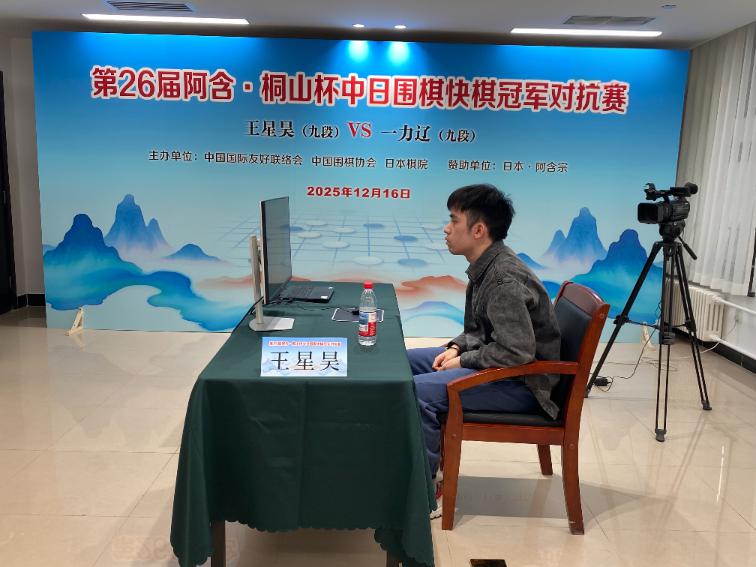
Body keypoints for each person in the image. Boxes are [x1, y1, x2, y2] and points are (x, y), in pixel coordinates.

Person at [407, 183, 561, 518]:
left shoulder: (503, 279)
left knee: (418, 391)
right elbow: (480, 330)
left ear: (478, 230)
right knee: (402, 363)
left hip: (522, 385)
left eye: (453, 220)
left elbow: (516, 352)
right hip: (504, 368)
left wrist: (465, 359)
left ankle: (426, 489)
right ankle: (405, 463)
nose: (446, 229)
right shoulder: (486, 266)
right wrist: (456, 347)